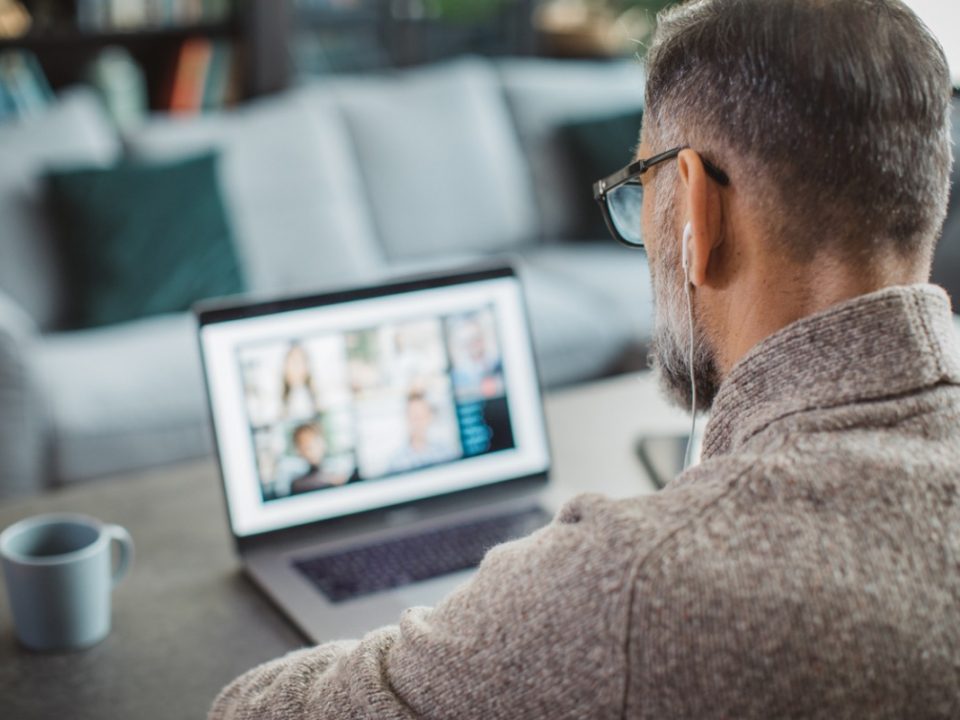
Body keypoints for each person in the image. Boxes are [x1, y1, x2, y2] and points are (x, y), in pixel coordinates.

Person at [209, 1, 960, 717]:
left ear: (694, 205)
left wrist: (499, 625)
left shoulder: (636, 583)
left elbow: (253, 710)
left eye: (643, 184)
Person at [388, 392, 461, 473]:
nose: (418, 422)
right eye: (414, 416)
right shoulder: (397, 462)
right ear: (407, 418)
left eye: (421, 416)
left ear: (429, 417)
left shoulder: (446, 452)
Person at [287, 423, 358, 496]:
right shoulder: (297, 481)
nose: (309, 448)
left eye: (312, 442)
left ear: (322, 442)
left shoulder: (341, 466)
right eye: (303, 445)